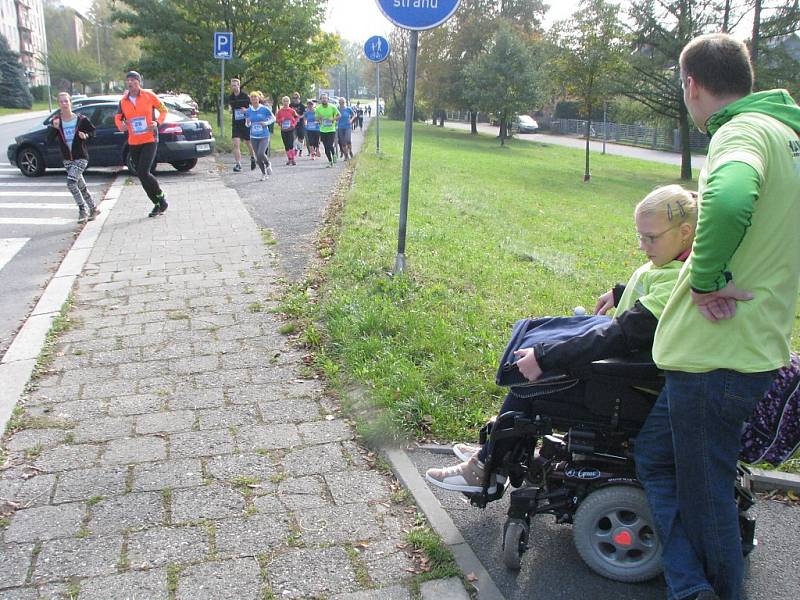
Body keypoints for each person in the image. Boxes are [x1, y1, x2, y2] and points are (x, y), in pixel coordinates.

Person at [635, 34, 800, 600]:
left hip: (717, 357)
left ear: (692, 85)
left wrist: (705, 279)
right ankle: (689, 584)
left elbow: (729, 198)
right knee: (655, 458)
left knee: (705, 499)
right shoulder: (787, 135)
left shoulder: (742, 131)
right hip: (751, 345)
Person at [426, 184, 698, 495]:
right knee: (537, 356)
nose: (642, 245)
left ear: (685, 231)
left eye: (650, 238)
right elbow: (647, 310)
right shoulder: (680, 263)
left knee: (532, 381)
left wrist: (546, 356)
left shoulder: (676, 279)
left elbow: (621, 334)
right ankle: (498, 448)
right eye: (639, 236)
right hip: (627, 367)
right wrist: (622, 293)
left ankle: (487, 469)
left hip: (628, 384)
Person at [114, 70, 168, 218]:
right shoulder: (123, 101)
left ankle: (161, 198)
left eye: (134, 81)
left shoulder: (149, 96)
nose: (131, 83)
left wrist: (157, 122)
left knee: (144, 171)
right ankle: (158, 203)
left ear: (139, 83)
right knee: (141, 174)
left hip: (150, 139)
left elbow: (163, 110)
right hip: (134, 140)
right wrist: (120, 125)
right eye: (128, 81)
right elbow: (118, 118)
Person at [47, 92, 99, 224]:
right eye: (61, 102)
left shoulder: (81, 119)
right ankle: (94, 208)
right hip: (67, 158)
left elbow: (93, 131)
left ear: (71, 103)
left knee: (71, 183)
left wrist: (85, 136)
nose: (64, 104)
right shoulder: (56, 121)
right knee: (80, 185)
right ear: (58, 104)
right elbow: (48, 139)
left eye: (66, 101)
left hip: (81, 157)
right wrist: (55, 128)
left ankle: (83, 209)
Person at [245, 91, 276, 181]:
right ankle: (263, 174)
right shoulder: (248, 111)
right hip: (254, 136)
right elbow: (247, 124)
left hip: (264, 135)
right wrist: (248, 123)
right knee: (258, 158)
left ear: (259, 99)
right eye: (252, 97)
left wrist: (265, 123)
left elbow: (273, 118)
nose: (254, 99)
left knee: (261, 153)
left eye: (255, 97)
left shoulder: (264, 109)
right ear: (250, 100)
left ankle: (268, 163)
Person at [229, 78, 255, 172]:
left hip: (245, 123)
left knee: (249, 143)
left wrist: (246, 110)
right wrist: (231, 110)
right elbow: (231, 107)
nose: (234, 87)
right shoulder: (231, 97)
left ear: (239, 86)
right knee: (236, 144)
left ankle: (252, 158)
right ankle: (238, 164)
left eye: (236, 85)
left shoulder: (245, 96)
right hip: (236, 124)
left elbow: (252, 108)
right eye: (232, 85)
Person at [315, 93, 340, 168]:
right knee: (326, 148)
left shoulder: (333, 107)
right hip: (323, 130)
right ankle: (330, 162)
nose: (324, 99)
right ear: (320, 100)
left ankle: (333, 154)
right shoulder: (318, 108)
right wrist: (320, 120)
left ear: (328, 99)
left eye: (325, 98)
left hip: (331, 129)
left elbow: (339, 115)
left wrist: (333, 119)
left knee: (329, 145)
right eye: (322, 98)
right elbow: (316, 119)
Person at [275, 96, 299, 166]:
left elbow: (297, 117)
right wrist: (280, 120)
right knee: (286, 145)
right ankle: (289, 159)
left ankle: (293, 159)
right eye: (284, 101)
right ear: (282, 102)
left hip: (291, 129)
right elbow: (276, 120)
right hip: (283, 130)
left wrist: (294, 124)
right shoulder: (280, 111)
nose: (285, 103)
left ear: (289, 102)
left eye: (287, 101)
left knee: (291, 144)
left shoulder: (292, 111)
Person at [289, 92, 306, 158]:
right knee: (293, 137)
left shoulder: (302, 105)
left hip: (300, 123)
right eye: (293, 98)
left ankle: (300, 150)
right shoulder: (290, 105)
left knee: (301, 138)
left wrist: (300, 117)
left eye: (296, 98)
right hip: (293, 123)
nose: (295, 99)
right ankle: (295, 149)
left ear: (299, 98)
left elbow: (304, 114)